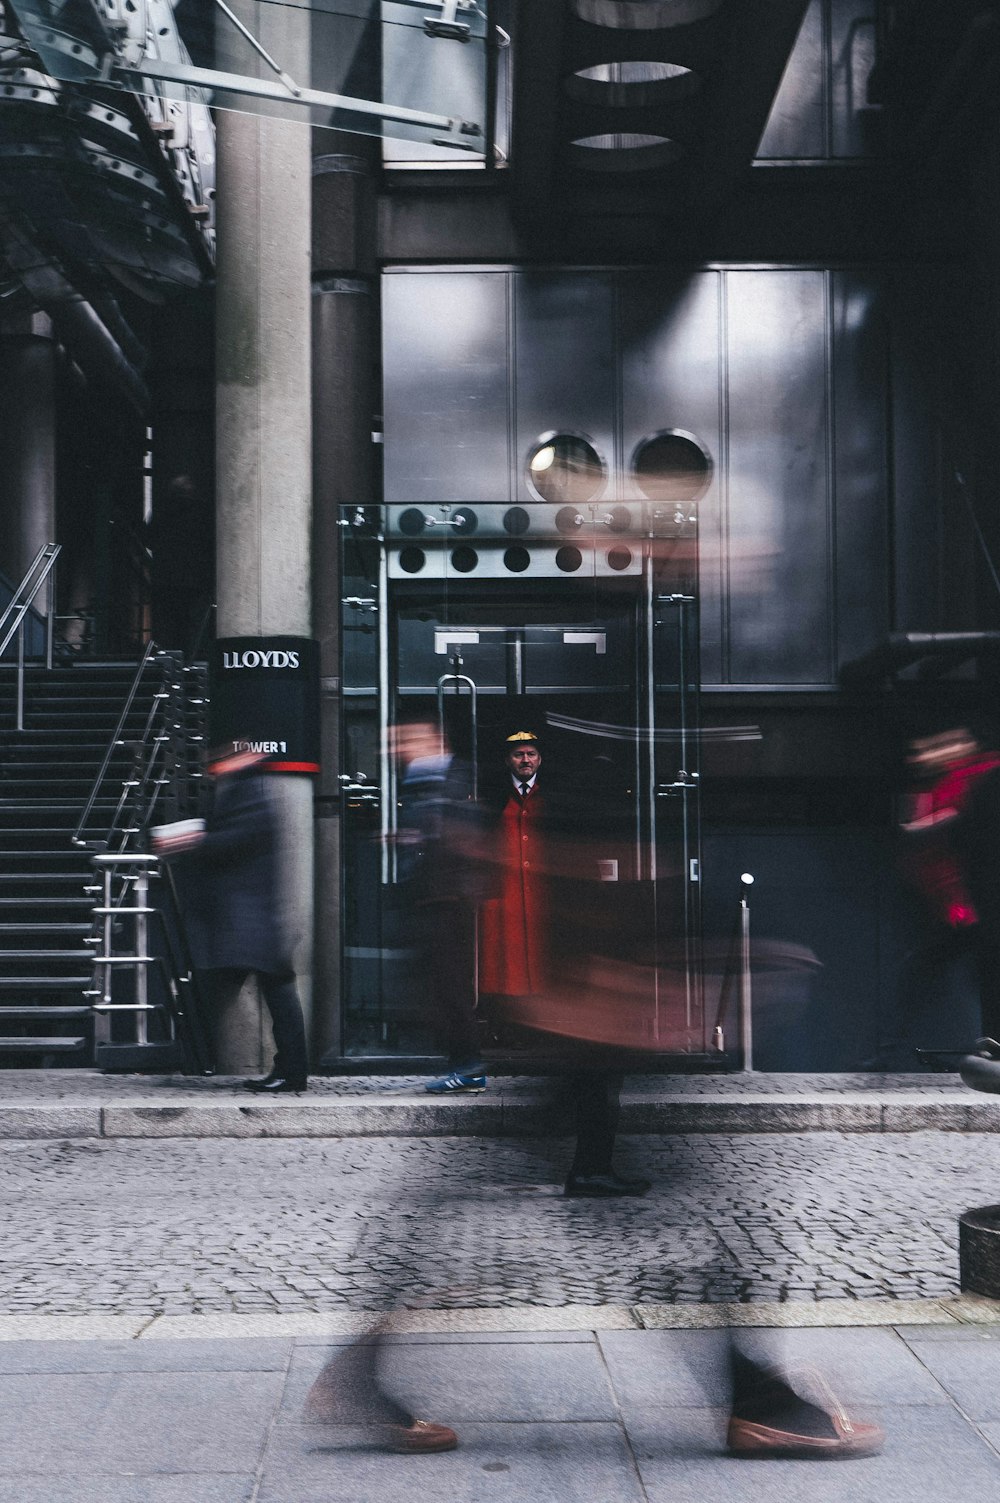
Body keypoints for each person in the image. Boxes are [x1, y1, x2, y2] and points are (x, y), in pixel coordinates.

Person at [480, 730, 650, 1197]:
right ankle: (588, 1165)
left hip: (561, 942)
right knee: (596, 1077)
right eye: (518, 753)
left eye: (532, 754)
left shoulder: (558, 810)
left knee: (591, 1074)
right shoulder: (548, 814)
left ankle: (581, 1153)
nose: (526, 761)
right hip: (556, 942)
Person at [152, 745, 309, 1093]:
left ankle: (289, 1071)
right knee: (274, 993)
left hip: (251, 919)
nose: (216, 766)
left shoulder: (250, 791)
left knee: (276, 994)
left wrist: (195, 839)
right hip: (253, 918)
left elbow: (236, 841)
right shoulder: (248, 790)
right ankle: (286, 1069)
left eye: (224, 759)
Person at [388, 721, 488, 1095]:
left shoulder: (451, 780)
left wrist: (420, 841)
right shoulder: (424, 782)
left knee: (449, 986)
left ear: (434, 741)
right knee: (438, 986)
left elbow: (456, 839)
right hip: (434, 899)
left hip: (448, 901)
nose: (398, 749)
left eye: (406, 740)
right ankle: (463, 1063)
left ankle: (469, 1066)